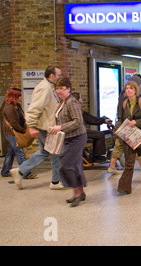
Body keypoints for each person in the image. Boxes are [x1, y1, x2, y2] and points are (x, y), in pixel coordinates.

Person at [10, 66, 64, 190]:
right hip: (46, 127)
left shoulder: (49, 87)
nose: (59, 77)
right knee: (55, 152)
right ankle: (55, 181)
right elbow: (35, 108)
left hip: (47, 125)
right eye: (58, 75)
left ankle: (20, 171)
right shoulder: (44, 88)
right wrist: (32, 126)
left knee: (45, 152)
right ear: (51, 75)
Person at [49, 77, 88, 207]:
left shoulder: (72, 102)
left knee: (65, 165)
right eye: (57, 88)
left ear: (68, 89)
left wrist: (60, 127)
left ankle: (76, 193)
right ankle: (80, 193)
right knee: (75, 166)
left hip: (77, 138)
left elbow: (78, 121)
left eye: (62, 88)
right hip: (68, 138)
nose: (59, 91)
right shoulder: (62, 103)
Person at [116, 81, 141, 195]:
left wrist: (137, 122)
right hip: (129, 135)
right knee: (129, 161)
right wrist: (118, 130)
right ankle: (124, 186)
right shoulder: (123, 103)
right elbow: (119, 118)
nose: (128, 90)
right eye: (127, 88)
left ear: (135, 91)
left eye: (131, 88)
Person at [71, 92, 112, 161]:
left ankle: (95, 155)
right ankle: (98, 156)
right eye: (80, 97)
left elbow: (91, 119)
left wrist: (102, 120)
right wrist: (103, 120)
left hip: (77, 132)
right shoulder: (78, 110)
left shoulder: (74, 109)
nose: (82, 99)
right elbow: (92, 120)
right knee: (100, 135)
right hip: (80, 132)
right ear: (77, 100)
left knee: (96, 134)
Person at [1, 88, 31, 178]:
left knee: (11, 152)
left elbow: (21, 116)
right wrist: (22, 130)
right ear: (14, 96)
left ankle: (5, 171)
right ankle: (26, 173)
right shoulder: (8, 107)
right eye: (19, 96)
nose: (21, 97)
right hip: (11, 132)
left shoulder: (16, 105)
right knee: (20, 152)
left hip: (16, 131)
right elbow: (13, 122)